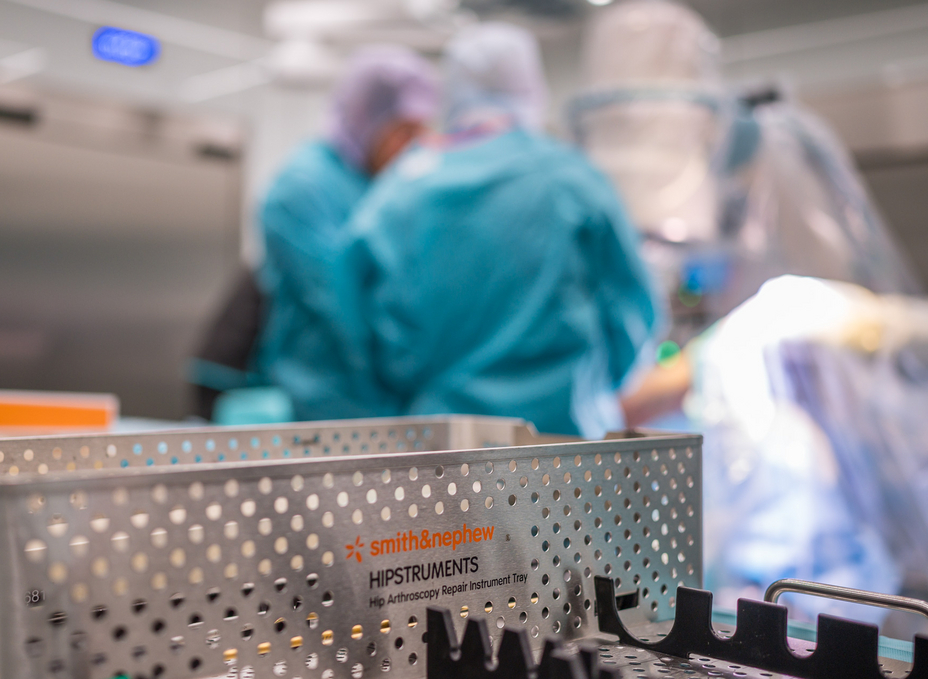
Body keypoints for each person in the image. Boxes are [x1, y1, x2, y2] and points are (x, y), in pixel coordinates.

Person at [334, 23, 663, 438]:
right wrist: (594, 389)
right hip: (568, 448)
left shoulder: (395, 195)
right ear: (532, 88)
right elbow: (634, 311)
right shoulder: (572, 179)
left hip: (439, 454)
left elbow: (355, 339)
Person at [245, 45, 440, 422]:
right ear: (366, 117)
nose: (412, 148)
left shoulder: (384, 184)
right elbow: (341, 304)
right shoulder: (303, 187)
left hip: (390, 402)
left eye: (421, 130)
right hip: (324, 399)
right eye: (403, 131)